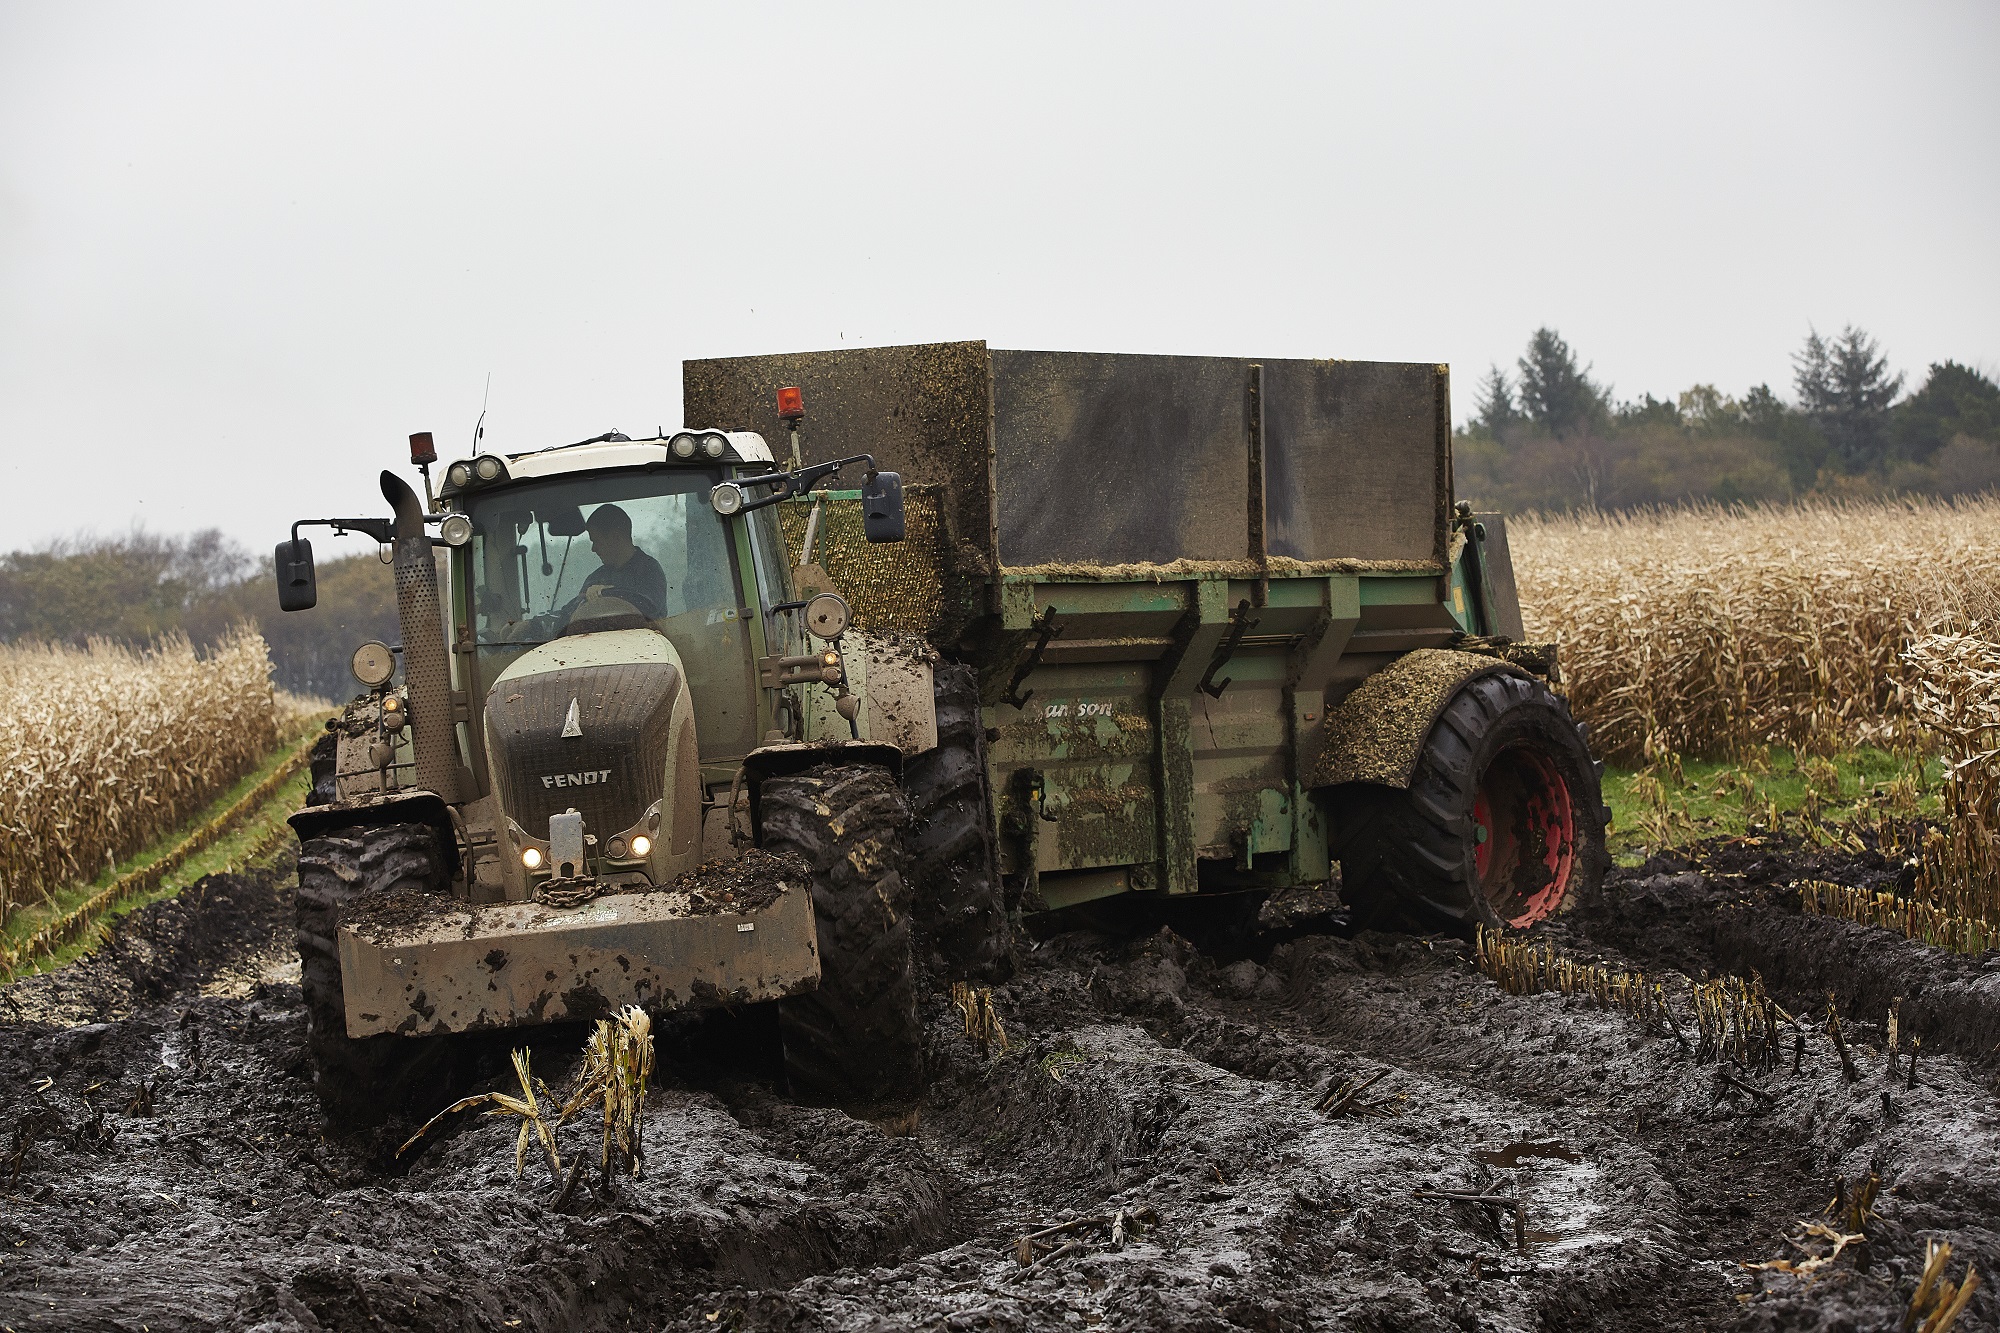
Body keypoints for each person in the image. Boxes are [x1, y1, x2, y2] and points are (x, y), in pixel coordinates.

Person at [565, 503, 667, 620]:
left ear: (616, 537)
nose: (593, 549)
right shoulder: (596, 578)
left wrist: (605, 592)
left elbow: (650, 605)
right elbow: (574, 610)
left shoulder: (649, 569)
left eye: (596, 541)